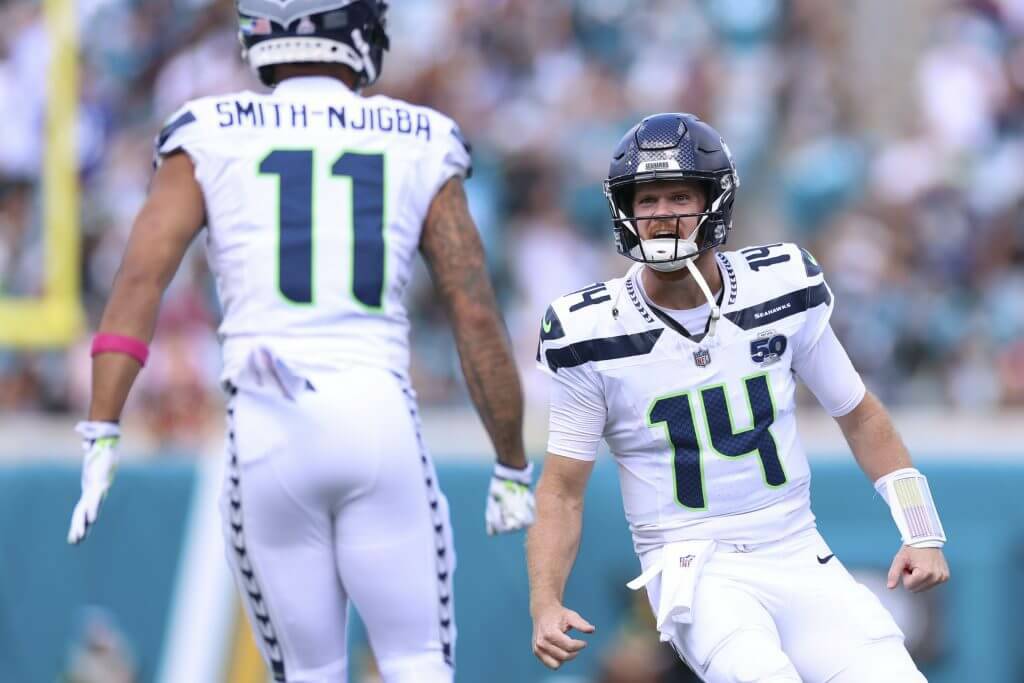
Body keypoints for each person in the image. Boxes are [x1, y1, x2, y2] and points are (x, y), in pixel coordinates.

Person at [66, 2, 536, 681]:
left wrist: (103, 425)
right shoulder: (419, 134)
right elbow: (474, 310)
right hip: (375, 413)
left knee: (309, 673)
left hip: (266, 426)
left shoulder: (210, 129)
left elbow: (141, 277)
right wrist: (512, 462)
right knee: (417, 663)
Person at [527, 112, 949, 683]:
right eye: (646, 200)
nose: (661, 215)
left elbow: (859, 414)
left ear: (715, 201)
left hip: (798, 550)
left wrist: (921, 528)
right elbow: (561, 489)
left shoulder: (780, 285)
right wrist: (545, 600)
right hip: (693, 567)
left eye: (679, 196)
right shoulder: (590, 331)